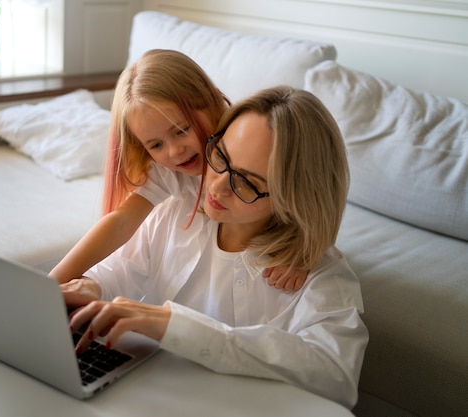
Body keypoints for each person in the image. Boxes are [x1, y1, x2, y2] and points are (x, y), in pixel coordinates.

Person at [61, 86, 368, 408]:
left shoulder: (322, 277)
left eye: (247, 183)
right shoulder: (175, 214)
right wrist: (92, 285)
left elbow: (336, 376)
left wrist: (176, 325)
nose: (217, 186)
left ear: (295, 197)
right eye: (221, 156)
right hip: (149, 397)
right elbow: (121, 268)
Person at [50, 49, 308, 290]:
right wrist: (52, 283)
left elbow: (309, 192)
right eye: (156, 144)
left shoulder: (245, 141)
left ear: (211, 100)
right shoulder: (167, 170)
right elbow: (121, 221)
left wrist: (303, 250)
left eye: (181, 130)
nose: (175, 152)